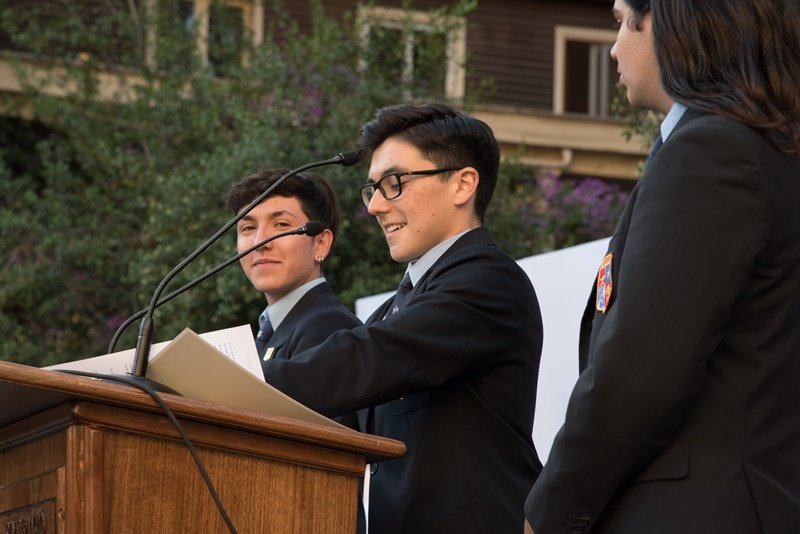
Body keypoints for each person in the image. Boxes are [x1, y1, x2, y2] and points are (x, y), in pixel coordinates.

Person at [524, 0, 800, 532]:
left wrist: (550, 512)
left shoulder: (711, 151)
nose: (613, 48)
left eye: (621, 21)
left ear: (673, 21)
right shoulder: (764, 150)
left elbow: (638, 373)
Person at [261, 103, 544, 533]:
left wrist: (233, 381)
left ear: (463, 184)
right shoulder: (395, 307)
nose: (375, 206)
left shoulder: (488, 281)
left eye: (394, 184)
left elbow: (369, 358)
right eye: (372, 189)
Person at [225, 167, 362, 402]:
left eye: (281, 224)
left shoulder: (328, 326)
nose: (260, 242)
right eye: (248, 228)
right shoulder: (273, 329)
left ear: (320, 243)